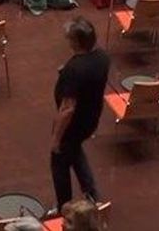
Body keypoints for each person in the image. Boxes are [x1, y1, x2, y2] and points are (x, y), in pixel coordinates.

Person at [50, 17, 109, 211]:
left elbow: (67, 109)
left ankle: (63, 209)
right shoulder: (102, 58)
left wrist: (56, 138)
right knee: (75, 151)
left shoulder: (74, 70)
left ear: (76, 42)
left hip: (72, 126)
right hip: (90, 120)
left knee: (59, 163)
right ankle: (92, 195)